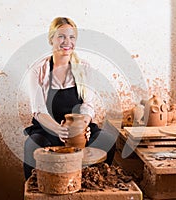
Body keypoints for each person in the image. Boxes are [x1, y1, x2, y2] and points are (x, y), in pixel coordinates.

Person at [23, 17, 117, 180]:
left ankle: (90, 184)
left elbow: (88, 105)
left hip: (78, 128)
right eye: (61, 36)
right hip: (48, 128)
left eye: (71, 37)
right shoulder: (38, 70)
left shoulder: (85, 68)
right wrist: (59, 130)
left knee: (106, 141)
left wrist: (83, 126)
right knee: (32, 145)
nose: (67, 42)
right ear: (51, 39)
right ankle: (38, 191)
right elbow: (38, 110)